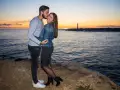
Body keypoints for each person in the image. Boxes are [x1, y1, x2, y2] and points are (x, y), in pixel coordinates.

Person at [39, 12, 63, 87]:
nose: (49, 17)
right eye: (49, 15)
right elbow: (51, 38)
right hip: (50, 47)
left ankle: (56, 79)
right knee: (47, 65)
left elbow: (44, 40)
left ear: (53, 20)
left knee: (43, 66)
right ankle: (50, 80)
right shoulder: (52, 27)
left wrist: (38, 41)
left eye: (51, 17)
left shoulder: (47, 26)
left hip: (46, 48)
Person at [28, 5, 49, 88]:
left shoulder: (41, 21)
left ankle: (35, 79)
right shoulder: (35, 21)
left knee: (36, 64)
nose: (47, 14)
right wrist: (40, 43)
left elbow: (39, 33)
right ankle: (35, 82)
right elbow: (30, 35)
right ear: (41, 12)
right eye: (46, 12)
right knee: (34, 64)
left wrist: (43, 39)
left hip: (37, 46)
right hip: (33, 47)